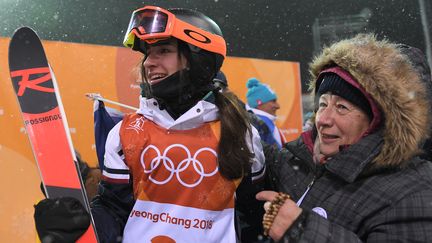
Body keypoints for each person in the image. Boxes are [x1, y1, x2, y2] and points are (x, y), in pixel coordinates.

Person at [34, 5, 265, 243]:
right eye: (147, 54)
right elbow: (114, 209)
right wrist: (78, 228)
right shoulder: (126, 132)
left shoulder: (240, 133)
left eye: (163, 51)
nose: (148, 63)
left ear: (198, 56)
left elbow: (252, 214)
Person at [257, 34, 432, 242]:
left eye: (342, 107)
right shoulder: (303, 162)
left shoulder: (413, 193)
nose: (323, 119)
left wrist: (300, 231)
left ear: (377, 120)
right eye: (322, 104)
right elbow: (266, 158)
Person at [246, 78, 287, 148]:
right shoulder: (259, 124)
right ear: (259, 103)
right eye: (273, 101)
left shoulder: (265, 122)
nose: (278, 106)